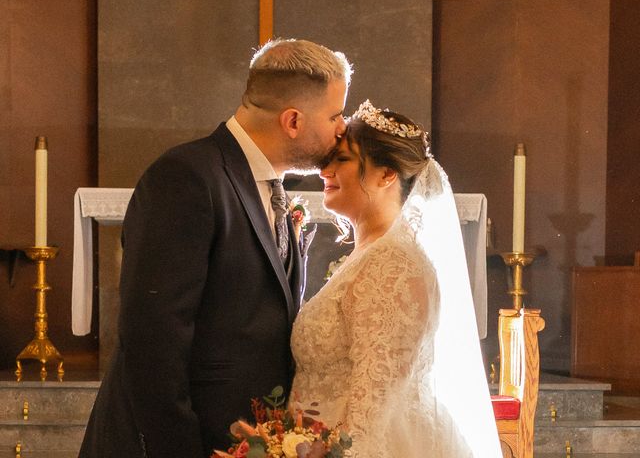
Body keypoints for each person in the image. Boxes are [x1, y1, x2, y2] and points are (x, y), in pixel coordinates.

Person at [79, 38, 353, 458]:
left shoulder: (273, 189)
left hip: (243, 439)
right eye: (335, 115)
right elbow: (153, 339)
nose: (342, 128)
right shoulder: (188, 178)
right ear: (293, 121)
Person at [290, 100, 502, 457]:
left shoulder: (395, 267)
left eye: (341, 159)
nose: (325, 169)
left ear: (386, 174)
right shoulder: (369, 255)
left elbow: (368, 418)